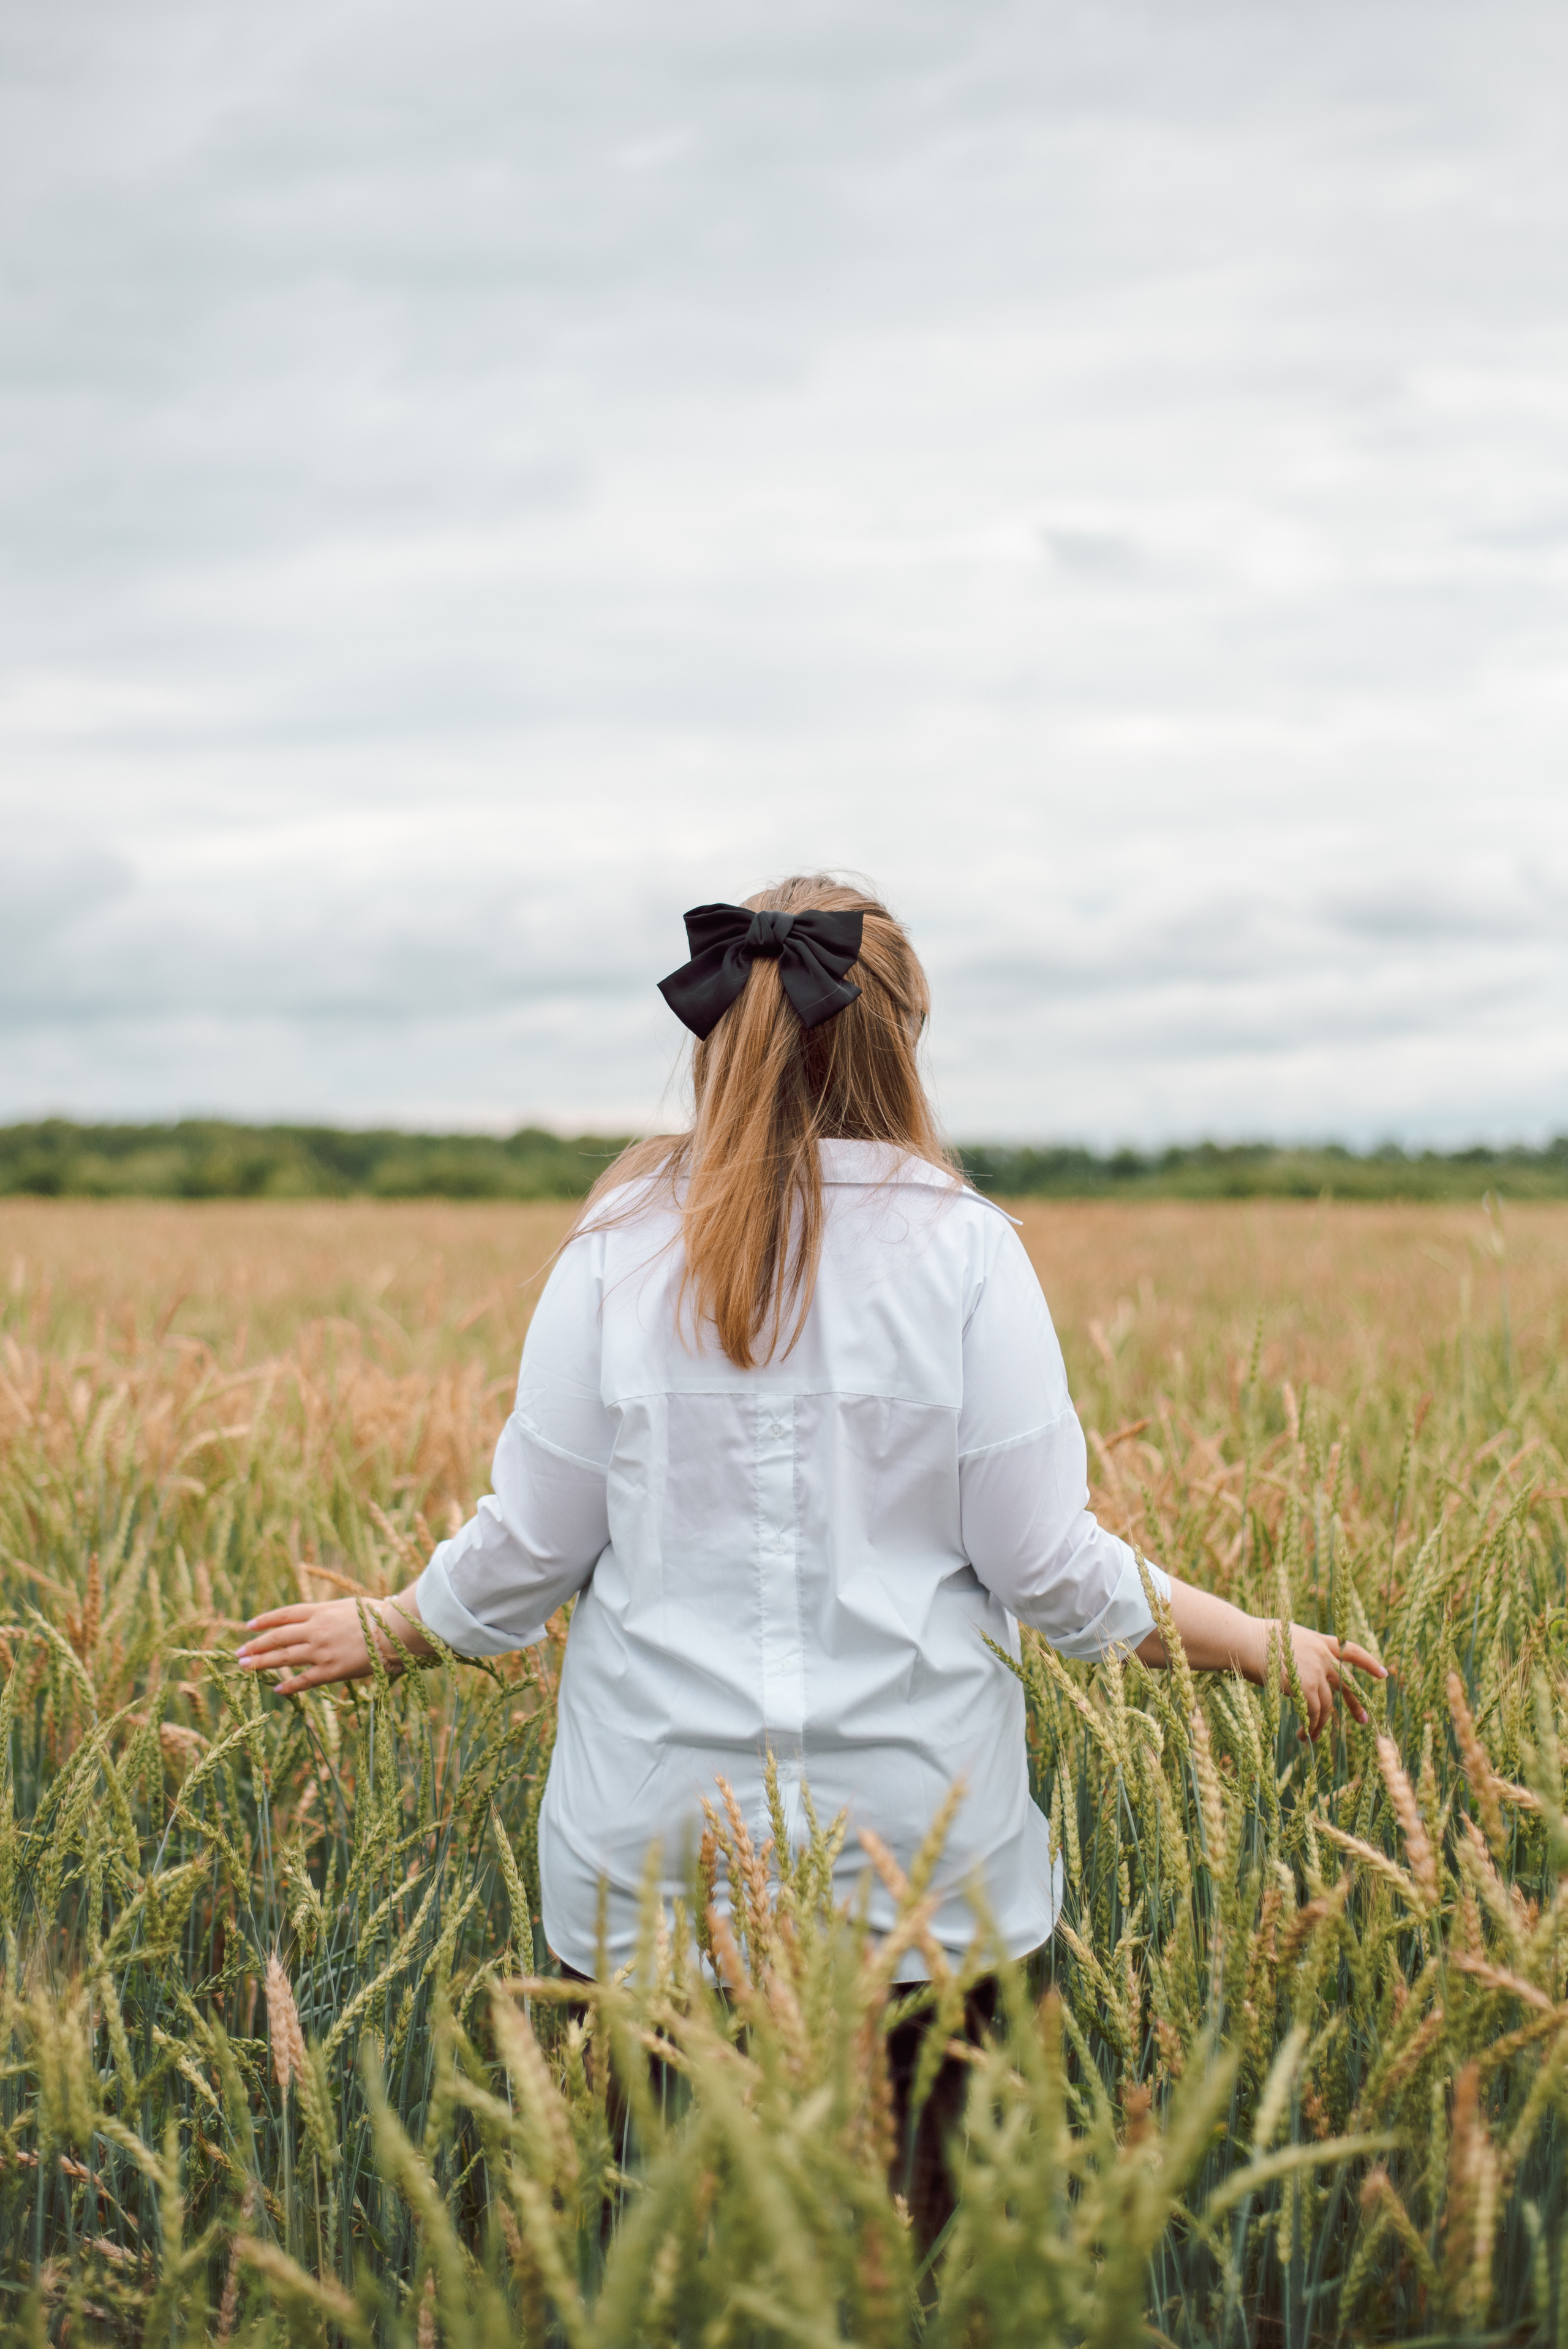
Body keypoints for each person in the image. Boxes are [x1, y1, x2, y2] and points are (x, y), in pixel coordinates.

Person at [238, 874, 1384, 2231]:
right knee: (923, 2268)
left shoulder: (611, 1252)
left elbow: (532, 1546)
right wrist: (1263, 1643)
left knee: (667, 2274)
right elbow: (1042, 1564)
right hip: (923, 1873)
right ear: (902, 1039)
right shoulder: (966, 1254)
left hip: (651, 1868)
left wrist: (391, 1624)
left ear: (720, 1034)